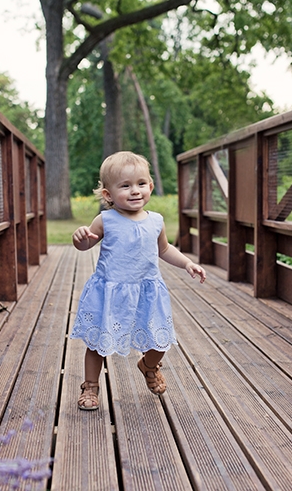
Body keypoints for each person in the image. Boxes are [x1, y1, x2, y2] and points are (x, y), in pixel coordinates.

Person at [70, 151, 206, 411]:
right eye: (125, 186)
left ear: (150, 187)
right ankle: (90, 385)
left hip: (146, 291)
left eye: (141, 184)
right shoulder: (105, 220)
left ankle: (149, 365)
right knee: (98, 343)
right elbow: (86, 244)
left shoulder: (155, 221)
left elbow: (164, 249)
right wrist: (80, 239)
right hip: (111, 292)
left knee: (160, 341)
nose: (135, 191)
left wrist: (188, 263)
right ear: (108, 195)